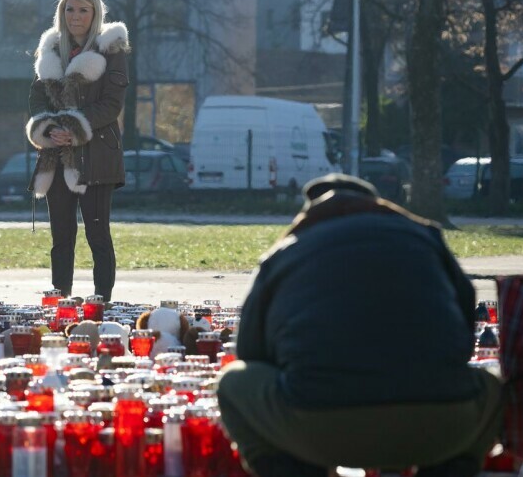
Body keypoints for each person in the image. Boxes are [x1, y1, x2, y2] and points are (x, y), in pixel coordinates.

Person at [216, 174, 504, 477]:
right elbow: (464, 333)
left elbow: (250, 354)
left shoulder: (286, 251)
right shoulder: (425, 237)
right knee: (494, 386)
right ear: (377, 203)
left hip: (319, 429)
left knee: (232, 383)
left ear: (309, 212)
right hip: (442, 426)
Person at [26, 0, 129, 301]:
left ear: (95, 13)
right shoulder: (50, 49)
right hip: (56, 156)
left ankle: (103, 299)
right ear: (62, 12)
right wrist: (49, 128)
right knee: (61, 234)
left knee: (98, 233)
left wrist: (75, 128)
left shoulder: (112, 49)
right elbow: (36, 98)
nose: (76, 15)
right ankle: (61, 296)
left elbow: (112, 104)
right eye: (70, 9)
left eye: (84, 9)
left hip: (97, 155)